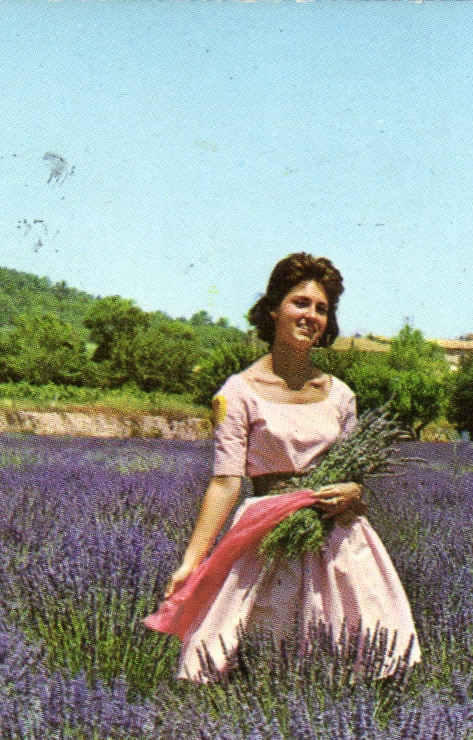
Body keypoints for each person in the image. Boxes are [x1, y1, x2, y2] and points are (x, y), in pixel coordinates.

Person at [148, 253, 420, 680]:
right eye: (300, 303)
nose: (310, 315)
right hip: (267, 533)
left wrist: (354, 493)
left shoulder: (340, 395)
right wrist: (191, 562)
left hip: (336, 535)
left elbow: (354, 478)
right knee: (256, 658)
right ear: (273, 308)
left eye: (321, 308)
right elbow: (225, 483)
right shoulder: (237, 392)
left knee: (351, 655)